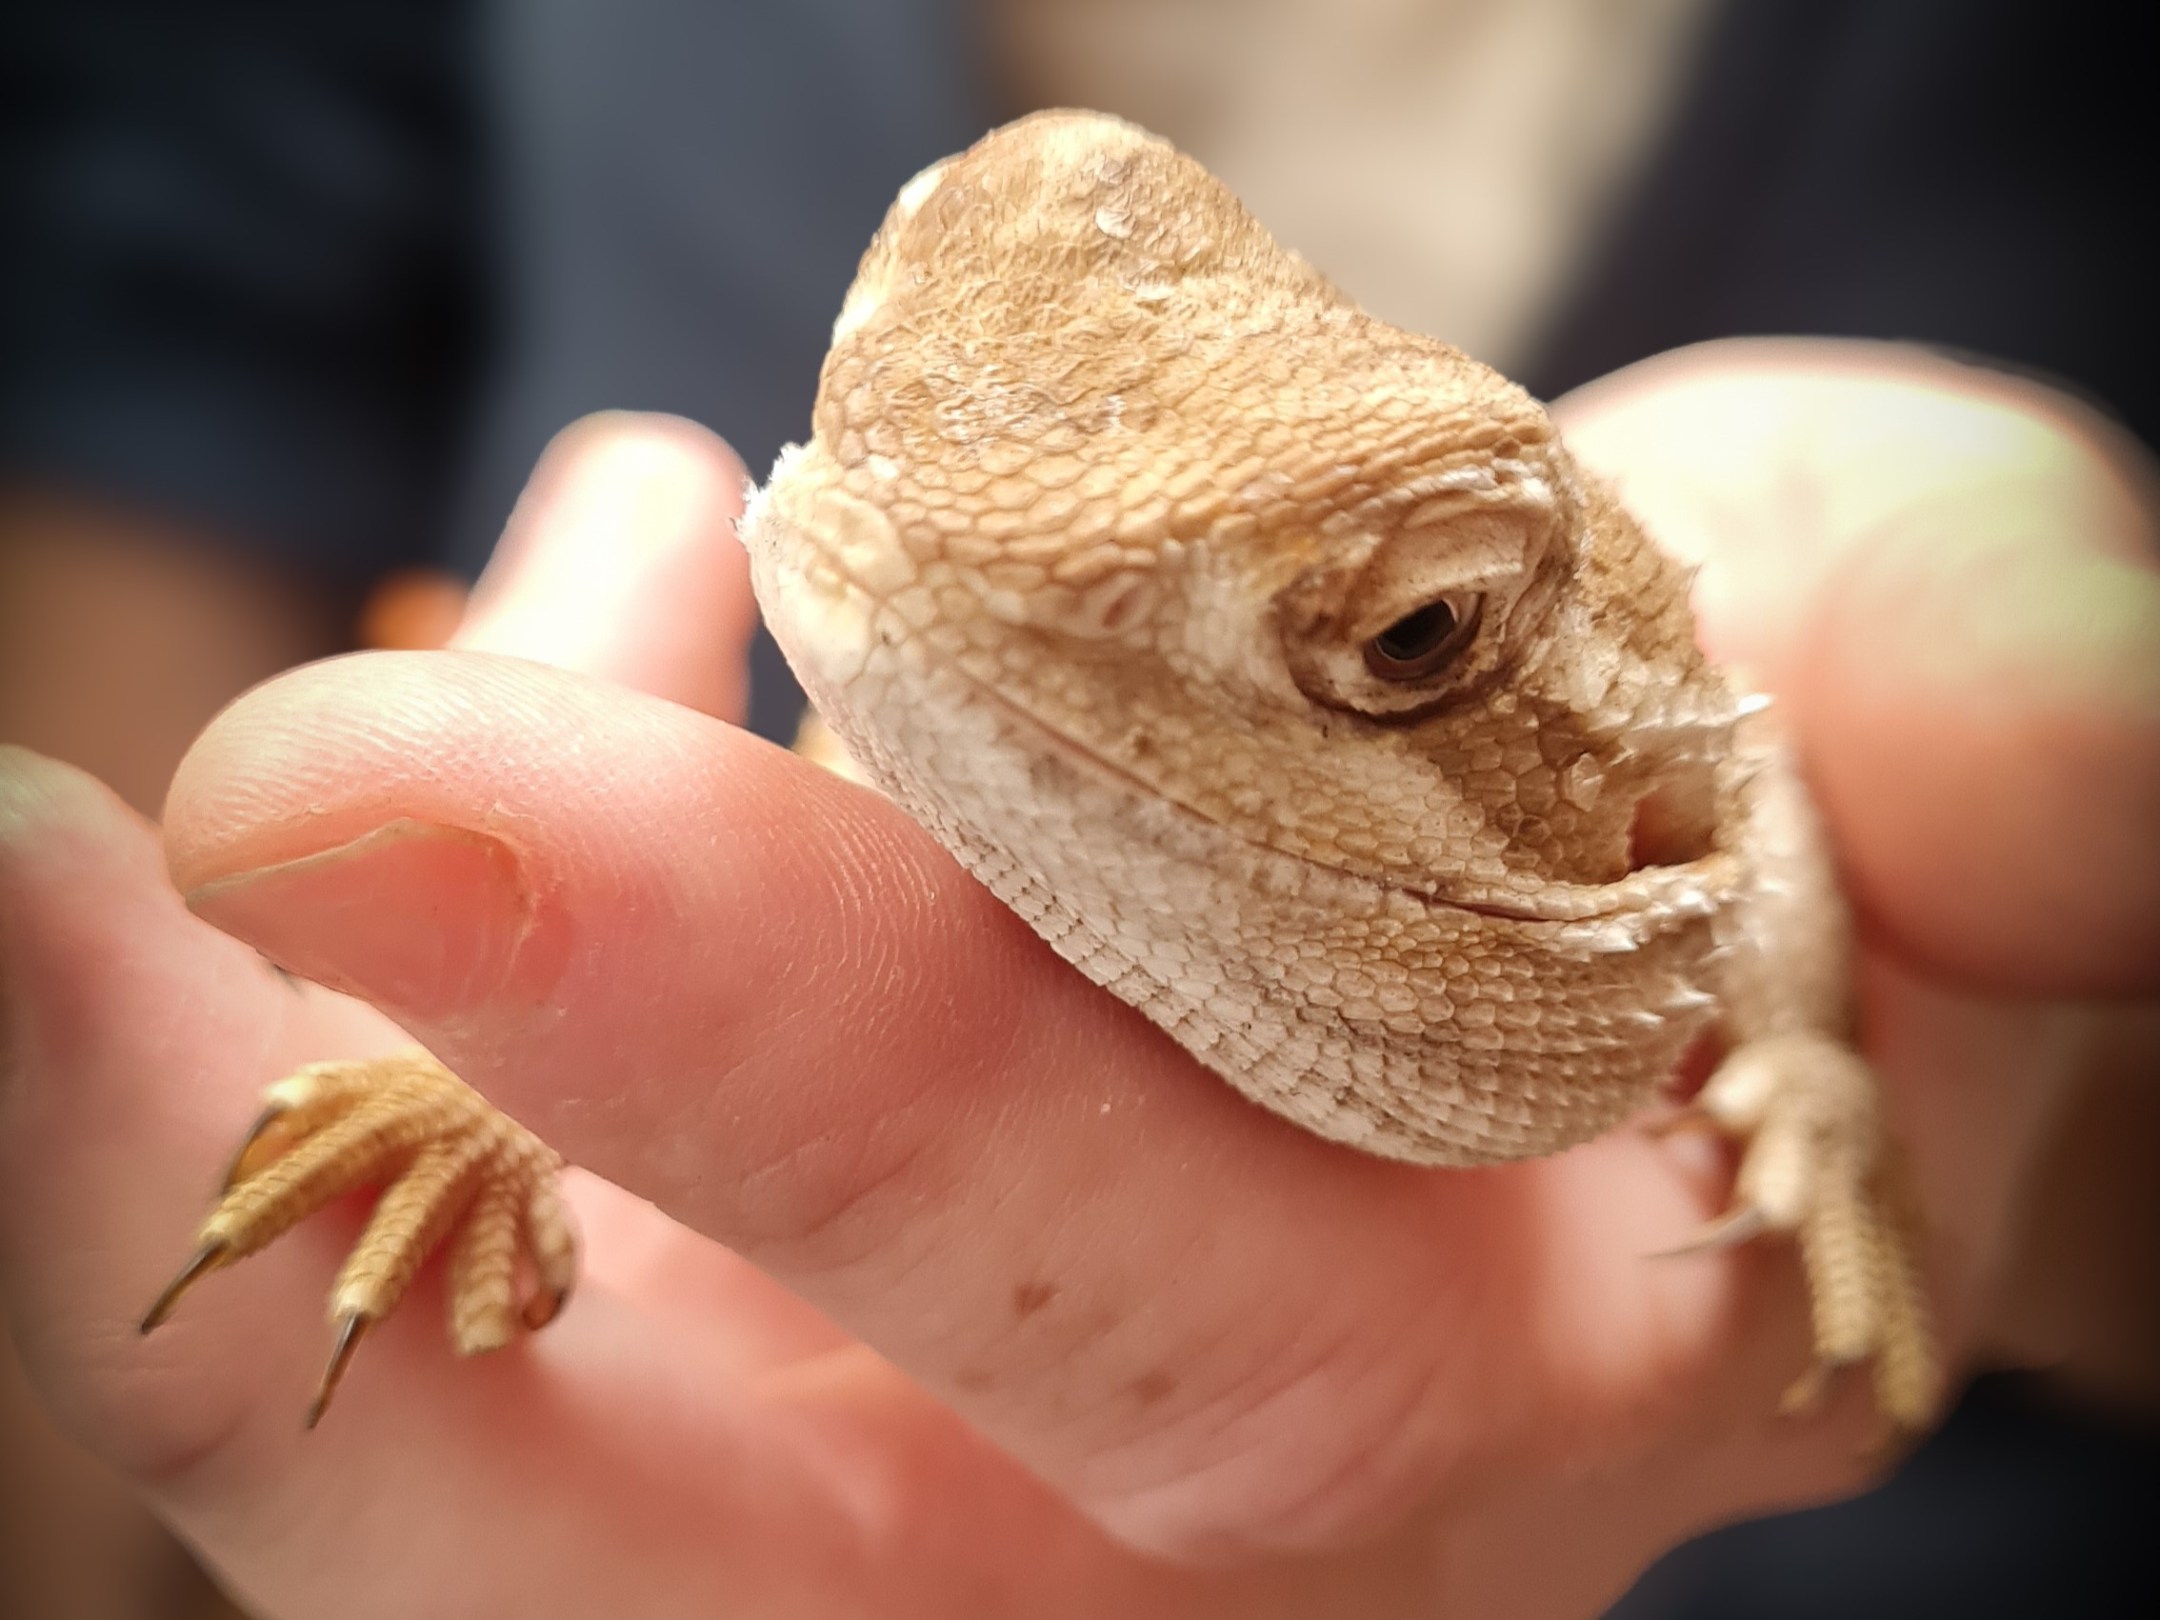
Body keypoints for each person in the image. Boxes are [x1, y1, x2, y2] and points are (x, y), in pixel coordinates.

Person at [3, 334, 2153, 1615]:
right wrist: (489, 1075)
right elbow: (174, 372)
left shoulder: (1642, 799)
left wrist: (1886, 1073)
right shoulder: (986, 712)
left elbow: (1745, 811)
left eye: (1417, 624)